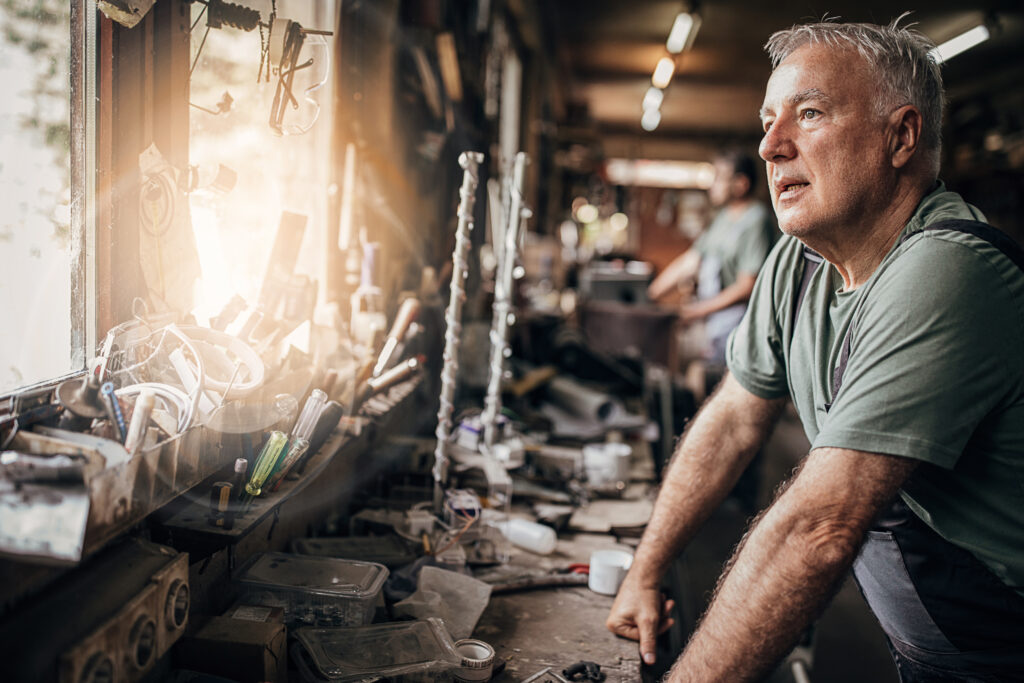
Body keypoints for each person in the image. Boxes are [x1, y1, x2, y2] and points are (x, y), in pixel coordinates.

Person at [607, 17, 1024, 683]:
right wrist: (647, 565)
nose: (771, 147)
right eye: (768, 121)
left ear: (901, 137)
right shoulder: (796, 266)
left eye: (809, 113)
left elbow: (818, 530)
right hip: (928, 654)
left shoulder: (950, 272)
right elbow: (733, 419)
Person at [647, 151, 774, 391]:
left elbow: (747, 286)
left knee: (718, 388)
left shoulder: (755, 220)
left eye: (719, 178)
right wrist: (650, 294)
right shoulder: (723, 219)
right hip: (718, 324)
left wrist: (696, 312)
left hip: (741, 326)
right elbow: (690, 261)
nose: (712, 185)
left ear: (741, 184)